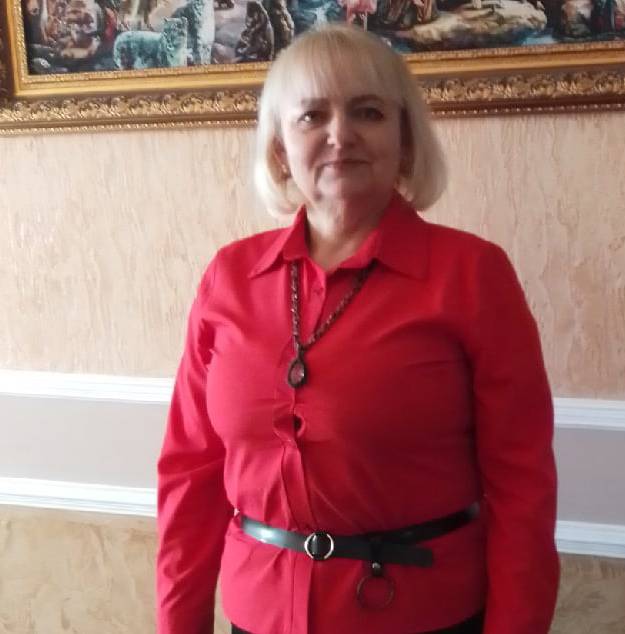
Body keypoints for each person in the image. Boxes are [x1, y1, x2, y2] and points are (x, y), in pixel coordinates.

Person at [156, 22, 559, 634]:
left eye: (368, 112)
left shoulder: (473, 274)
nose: (340, 135)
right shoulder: (229, 277)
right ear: (279, 149)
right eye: (311, 115)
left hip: (424, 617)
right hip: (259, 614)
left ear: (405, 140)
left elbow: (522, 487)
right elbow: (189, 473)